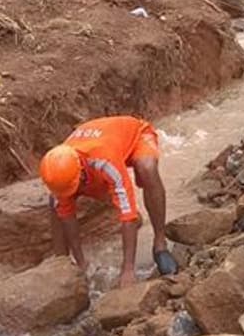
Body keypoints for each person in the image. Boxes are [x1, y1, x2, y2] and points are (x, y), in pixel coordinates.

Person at [39, 115, 176, 288]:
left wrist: (128, 270)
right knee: (56, 203)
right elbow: (67, 215)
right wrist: (81, 264)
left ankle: (160, 242)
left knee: (147, 168)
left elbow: (127, 216)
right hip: (99, 148)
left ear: (80, 173)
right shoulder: (59, 167)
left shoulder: (105, 162)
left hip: (136, 135)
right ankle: (61, 262)